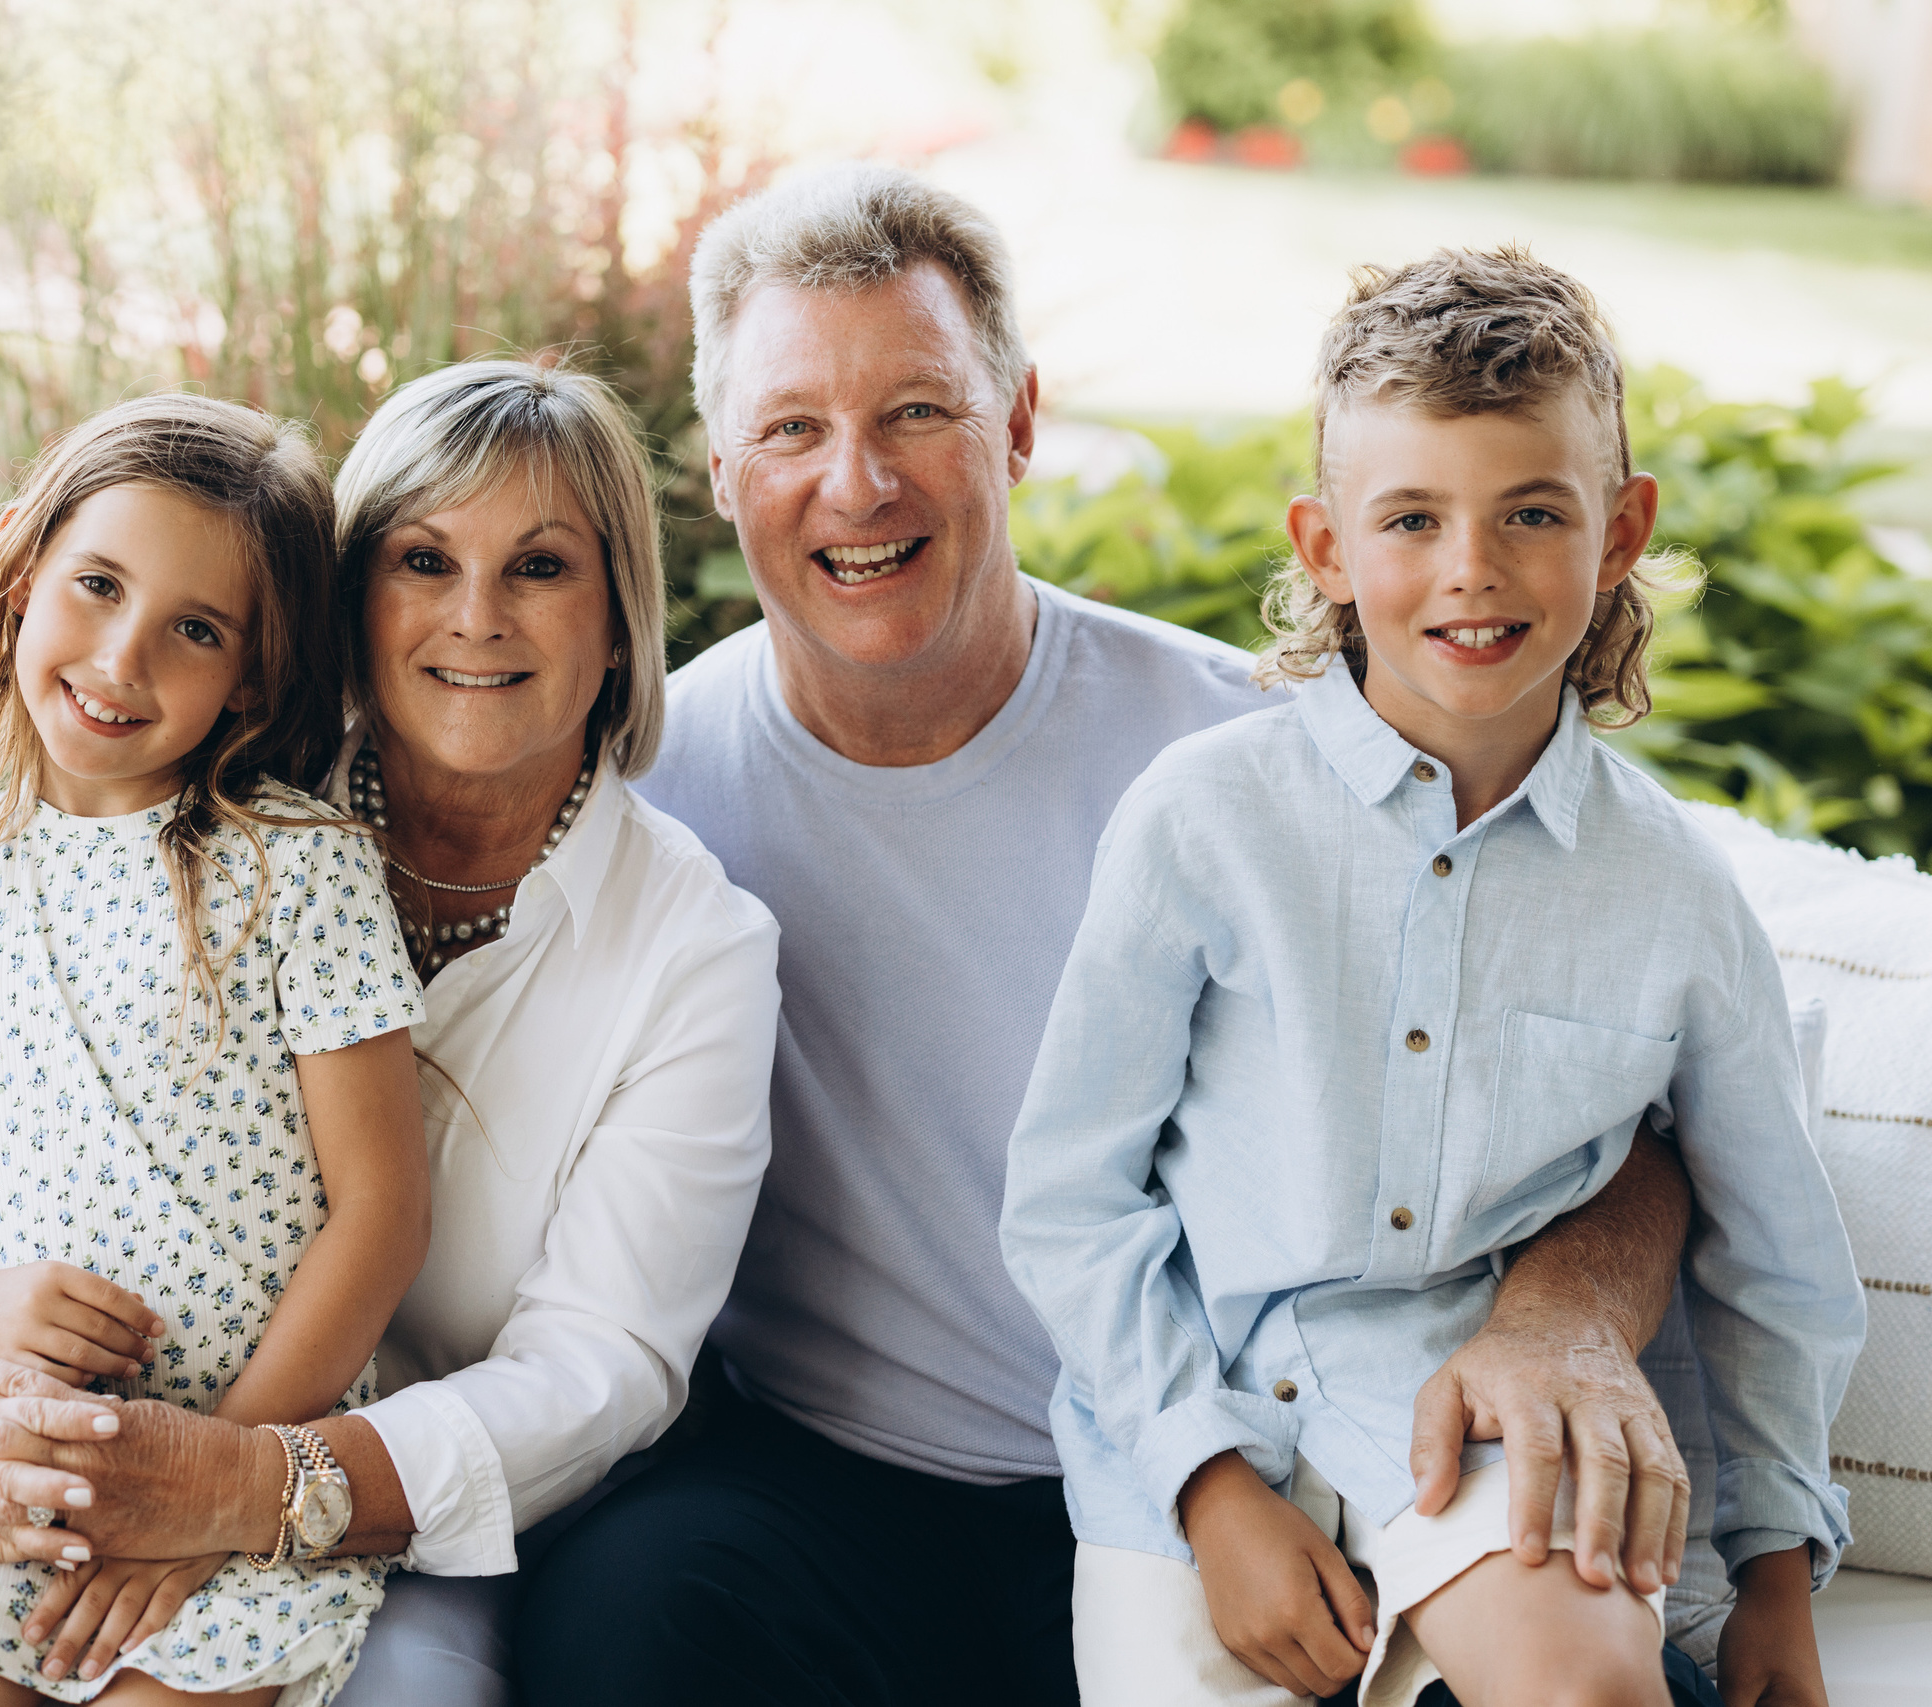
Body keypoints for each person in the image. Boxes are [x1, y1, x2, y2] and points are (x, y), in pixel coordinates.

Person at [516, 165, 1710, 1706]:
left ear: (1017, 422)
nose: (858, 483)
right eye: (793, 428)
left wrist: (1561, 1320)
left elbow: (1644, 1116)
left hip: (1251, 1471)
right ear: (724, 468)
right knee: (616, 1618)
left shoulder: (1250, 764)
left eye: (919, 413)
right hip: (831, 1483)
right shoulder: (644, 789)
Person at [0, 359, 781, 1706]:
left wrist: (240, 1487)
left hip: (418, 1514)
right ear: (350, 599)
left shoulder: (697, 951)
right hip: (102, 1451)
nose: (475, 618)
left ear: (618, 619)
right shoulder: (192, 807)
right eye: (422, 559)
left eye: (541, 568)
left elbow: (602, 1368)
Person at [999, 247, 1862, 1707]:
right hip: (1192, 1431)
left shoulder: (1672, 892)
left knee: (1593, 1687)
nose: (1474, 568)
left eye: (1533, 512)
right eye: (1413, 518)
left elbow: (1774, 1254)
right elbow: (1071, 1198)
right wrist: (1210, 1492)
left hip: (1467, 1416)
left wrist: (1775, 1576)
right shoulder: (1202, 817)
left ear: (1622, 528)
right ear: (1326, 545)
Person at [0, 393, 430, 1706]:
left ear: (251, 672)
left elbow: (384, 1211)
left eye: (195, 628)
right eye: (97, 586)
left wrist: (207, 1485)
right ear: (22, 573)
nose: (123, 658)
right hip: (17, 1470)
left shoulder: (299, 871)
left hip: (241, 1475)